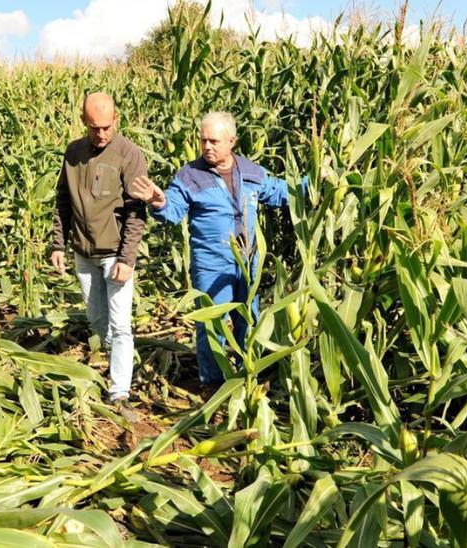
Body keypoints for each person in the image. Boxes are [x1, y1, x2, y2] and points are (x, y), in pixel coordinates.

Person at [128, 111, 293, 388]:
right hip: (212, 264)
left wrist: (315, 187)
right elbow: (173, 210)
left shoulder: (251, 172)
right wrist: (158, 202)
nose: (207, 147)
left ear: (232, 141)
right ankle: (213, 384)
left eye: (214, 141)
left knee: (248, 319)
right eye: (203, 140)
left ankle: (247, 376)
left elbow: (279, 192)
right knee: (211, 325)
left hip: (248, 261)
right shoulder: (190, 176)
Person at [50, 92, 148, 411]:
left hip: (114, 255)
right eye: (94, 128)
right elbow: (63, 201)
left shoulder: (128, 154)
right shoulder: (73, 153)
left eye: (107, 126)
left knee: (121, 324)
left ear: (116, 119)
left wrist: (127, 258)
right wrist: (58, 244)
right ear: (83, 122)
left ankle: (119, 391)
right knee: (97, 318)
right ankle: (121, 355)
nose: (102, 134)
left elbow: (136, 210)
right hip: (83, 253)